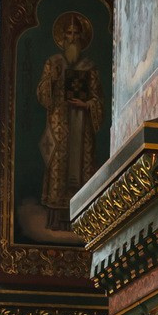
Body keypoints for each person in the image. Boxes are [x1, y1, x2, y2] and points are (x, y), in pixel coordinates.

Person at [37, 12, 101, 231]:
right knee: (58, 167)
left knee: (81, 169)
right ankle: (55, 220)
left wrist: (88, 105)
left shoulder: (88, 66)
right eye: (69, 33)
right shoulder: (53, 63)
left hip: (81, 128)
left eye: (76, 34)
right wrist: (52, 80)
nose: (72, 38)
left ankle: (82, 222)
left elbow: (97, 98)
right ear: (63, 37)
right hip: (59, 127)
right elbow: (43, 97)